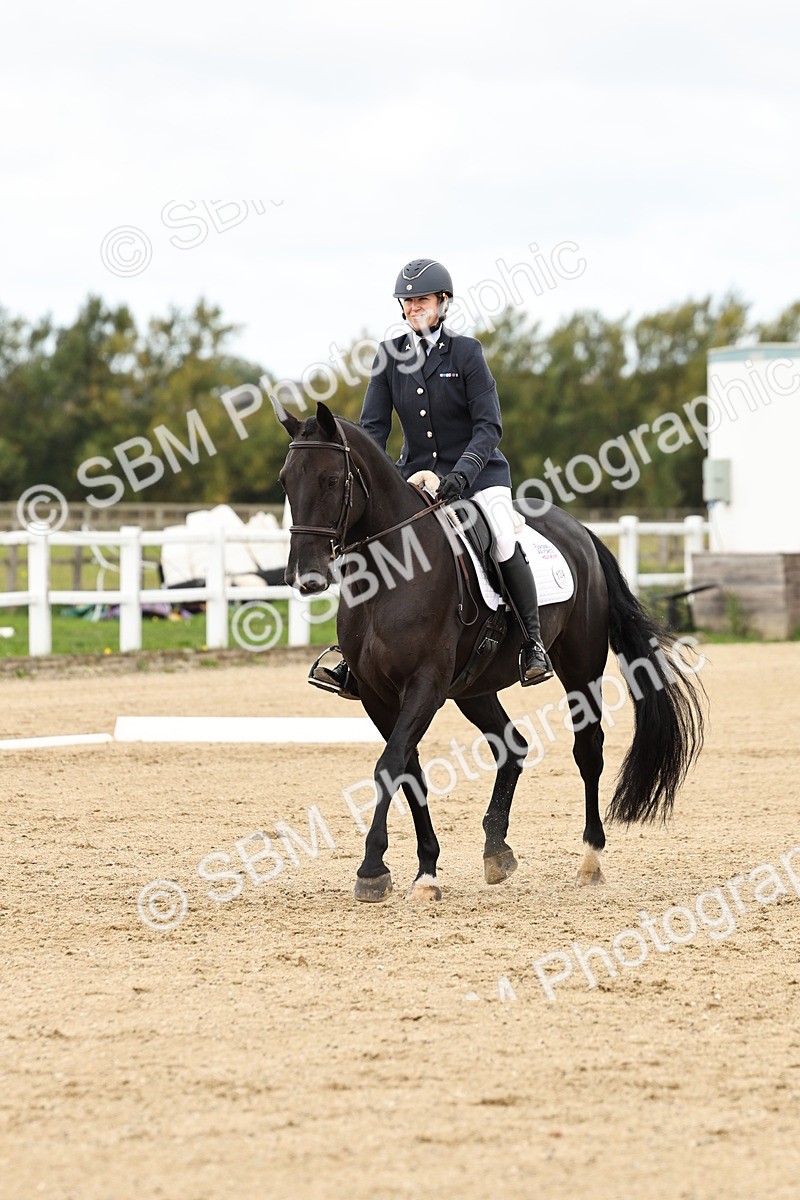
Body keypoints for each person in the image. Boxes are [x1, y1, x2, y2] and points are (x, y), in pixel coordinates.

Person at [310, 257, 553, 698]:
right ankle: (354, 656)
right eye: (407, 302)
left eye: (421, 300)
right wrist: (374, 480)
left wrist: (463, 475)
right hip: (415, 477)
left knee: (500, 536)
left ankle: (533, 645)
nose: (413, 308)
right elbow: (373, 431)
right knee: (369, 542)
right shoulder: (389, 357)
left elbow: (488, 428)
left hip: (478, 477)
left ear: (443, 302)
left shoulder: (467, 353)